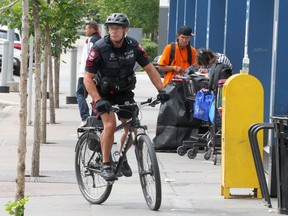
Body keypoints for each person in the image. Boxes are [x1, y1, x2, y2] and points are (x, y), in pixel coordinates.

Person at [84, 13, 169, 181]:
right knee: (110, 124)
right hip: (103, 94)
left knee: (132, 129)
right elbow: (88, 77)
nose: (113, 32)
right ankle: (106, 164)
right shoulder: (99, 48)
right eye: (111, 28)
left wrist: (162, 90)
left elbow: (150, 69)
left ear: (125, 30)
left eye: (117, 28)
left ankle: (121, 158)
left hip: (124, 92)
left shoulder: (134, 46)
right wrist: (98, 100)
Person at [76, 21, 101, 127]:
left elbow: (91, 55)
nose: (85, 31)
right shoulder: (101, 40)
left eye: (87, 29)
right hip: (96, 73)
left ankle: (85, 117)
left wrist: (86, 65)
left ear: (92, 29)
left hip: (86, 73)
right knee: (95, 96)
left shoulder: (91, 40)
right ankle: (96, 121)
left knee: (80, 94)